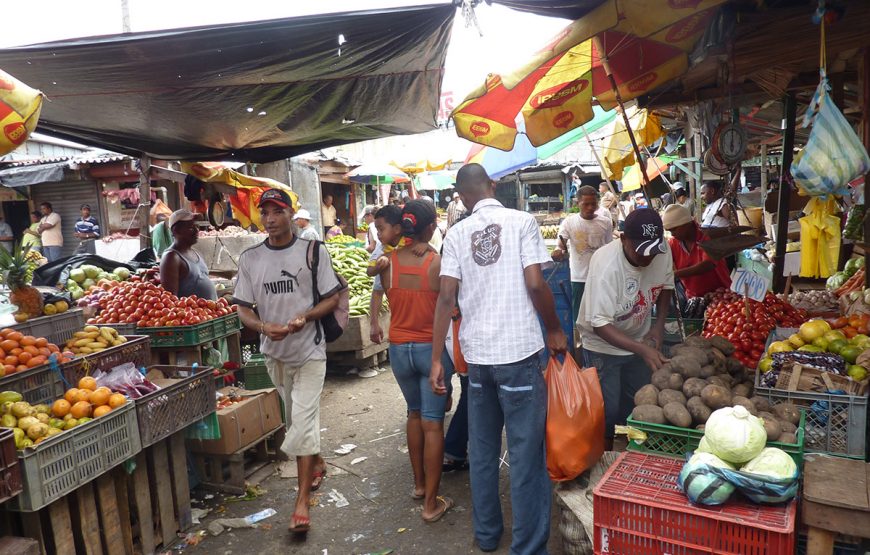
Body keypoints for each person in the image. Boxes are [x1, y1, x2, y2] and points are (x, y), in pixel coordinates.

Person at [430, 163, 567, 554]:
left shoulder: (455, 234)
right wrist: (554, 327)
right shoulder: (522, 222)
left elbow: (445, 297)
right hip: (519, 353)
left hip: (477, 360)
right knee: (525, 453)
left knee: (484, 450)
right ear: (492, 185)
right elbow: (536, 283)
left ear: (460, 196)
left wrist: (438, 359)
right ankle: (526, 547)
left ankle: (487, 536)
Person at [233, 188, 342, 535]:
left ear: (291, 215)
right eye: (264, 213)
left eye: (276, 212)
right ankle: (318, 462)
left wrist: (305, 318)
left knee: (304, 422)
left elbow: (332, 297)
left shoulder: (312, 251)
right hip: (274, 355)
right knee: (296, 419)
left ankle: (300, 502)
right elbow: (243, 309)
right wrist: (264, 326)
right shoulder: (251, 259)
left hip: (310, 350)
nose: (269, 219)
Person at [376, 199, 454, 523]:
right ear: (431, 228)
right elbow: (451, 305)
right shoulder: (437, 262)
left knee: (414, 413)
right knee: (433, 423)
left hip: (398, 351)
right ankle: (431, 505)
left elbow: (379, 293)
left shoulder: (387, 262)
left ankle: (420, 486)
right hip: (429, 351)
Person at [577, 209, 674, 450]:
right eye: (641, 252)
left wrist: (658, 326)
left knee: (637, 407)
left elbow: (667, 286)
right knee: (606, 412)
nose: (648, 258)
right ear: (623, 239)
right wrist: (642, 350)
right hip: (602, 347)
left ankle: (632, 456)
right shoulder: (606, 265)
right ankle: (603, 460)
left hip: (638, 340)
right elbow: (599, 324)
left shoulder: (661, 250)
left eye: (653, 251)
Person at [551, 185, 613, 324]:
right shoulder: (569, 222)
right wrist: (558, 252)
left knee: (600, 315)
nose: (590, 207)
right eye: (586, 204)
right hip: (578, 277)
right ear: (578, 203)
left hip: (601, 276)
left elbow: (610, 248)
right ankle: (579, 341)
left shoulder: (605, 222)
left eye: (593, 204)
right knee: (578, 317)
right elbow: (560, 246)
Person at [662, 204, 731, 298]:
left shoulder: (707, 237)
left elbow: (708, 265)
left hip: (720, 295)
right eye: (669, 231)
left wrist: (674, 275)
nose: (673, 234)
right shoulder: (673, 243)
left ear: (687, 224)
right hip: (693, 296)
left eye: (674, 230)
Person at [159, 210, 218, 300]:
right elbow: (170, 299)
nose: (196, 230)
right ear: (176, 231)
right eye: (191, 227)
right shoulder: (171, 257)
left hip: (211, 312)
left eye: (196, 226)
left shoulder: (195, 252)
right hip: (193, 313)